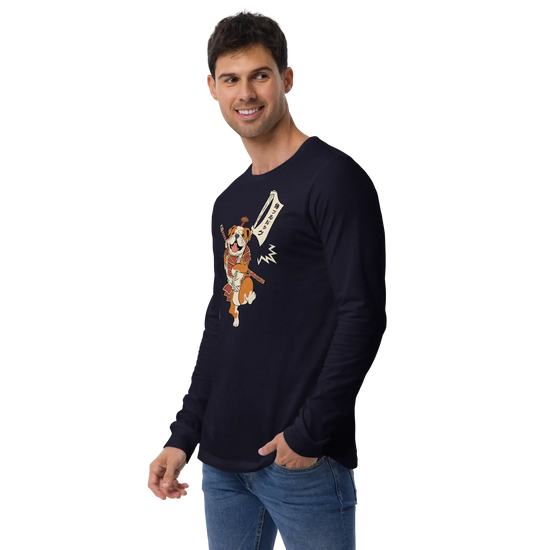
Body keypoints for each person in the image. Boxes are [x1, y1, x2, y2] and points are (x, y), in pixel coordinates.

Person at [145, 5, 389, 549]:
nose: (246, 93)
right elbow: (221, 322)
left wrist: (309, 433)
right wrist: (182, 436)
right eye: (230, 79)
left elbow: (363, 313)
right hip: (220, 464)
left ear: (288, 79)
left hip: (301, 461)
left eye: (259, 75)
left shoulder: (335, 178)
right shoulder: (227, 200)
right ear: (211, 88)